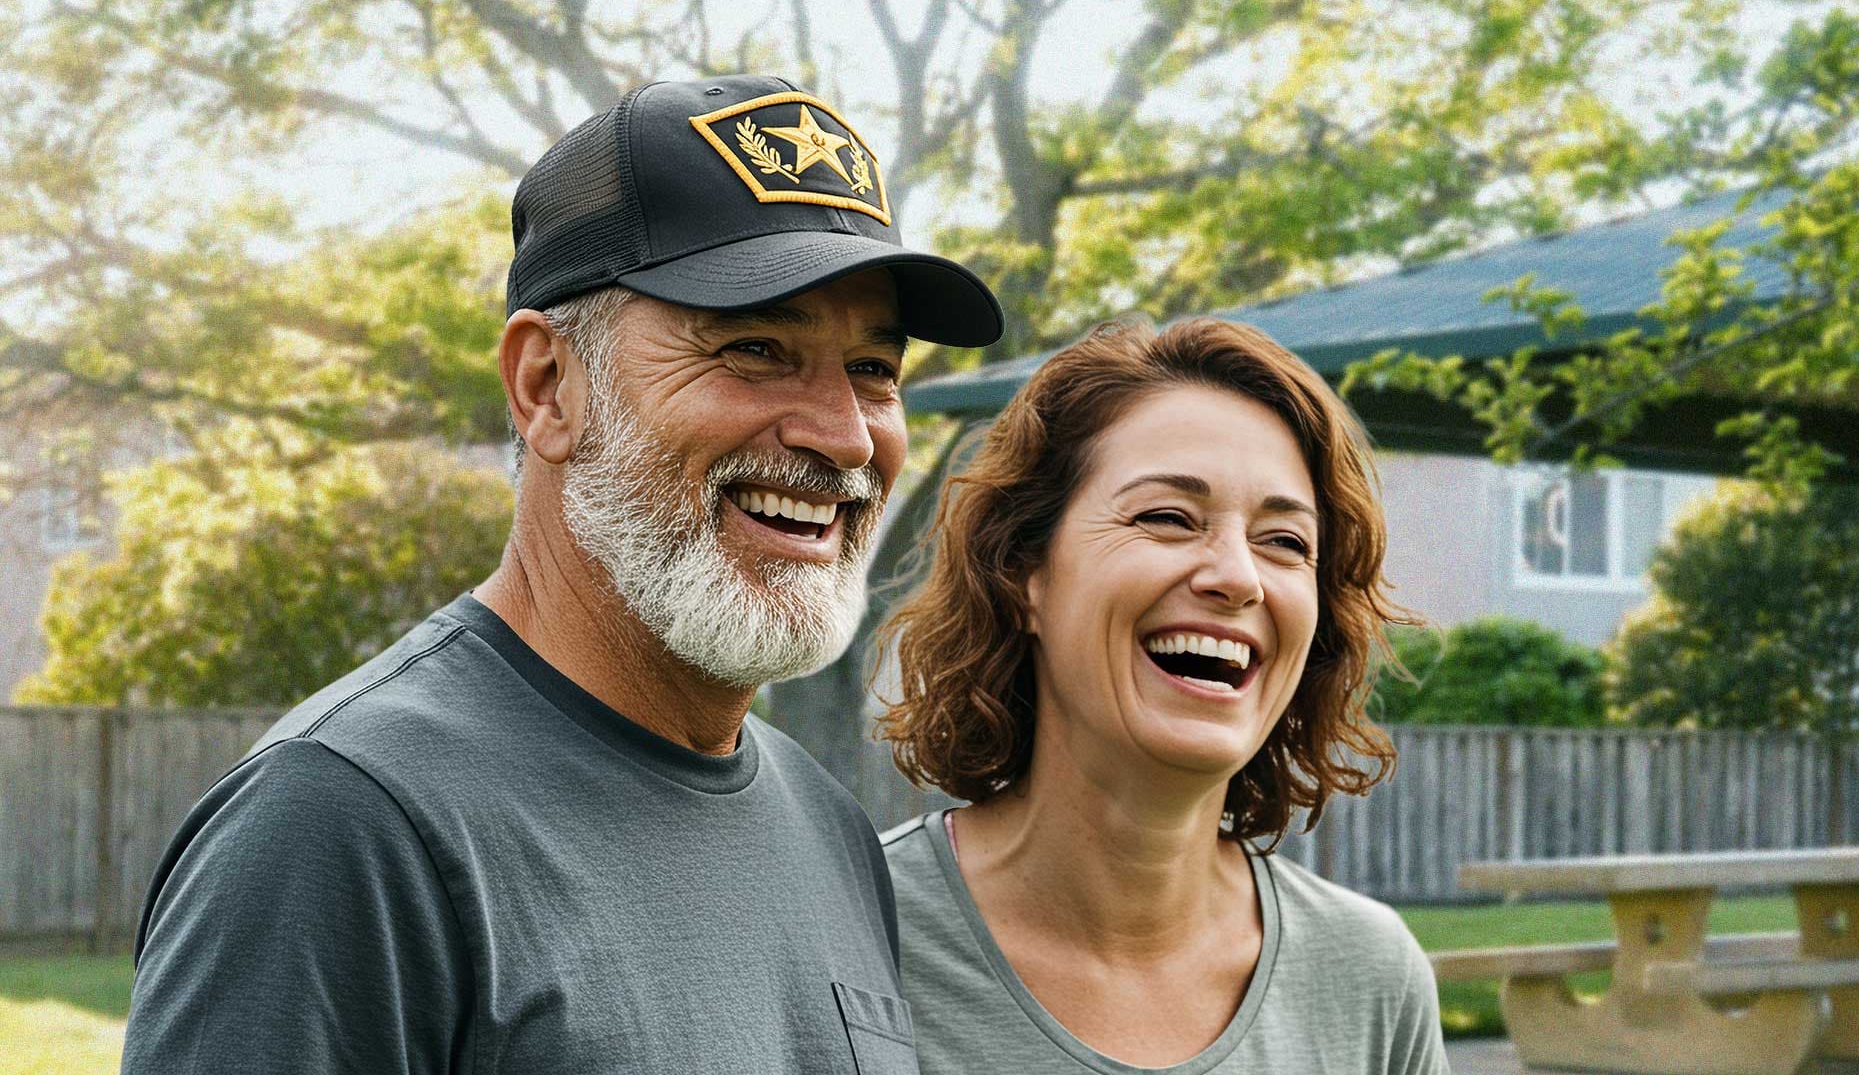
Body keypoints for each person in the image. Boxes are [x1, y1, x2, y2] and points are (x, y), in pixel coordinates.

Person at [122, 75, 1000, 1074]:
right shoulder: (345, 824)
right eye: (755, 349)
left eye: (874, 369)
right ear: (547, 387)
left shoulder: (829, 831)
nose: (843, 435)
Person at [875, 317, 1448, 1074]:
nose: (1237, 576)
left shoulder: (1369, 977)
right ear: (1022, 573)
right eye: (1168, 518)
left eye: (1285, 541)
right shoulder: (852, 935)